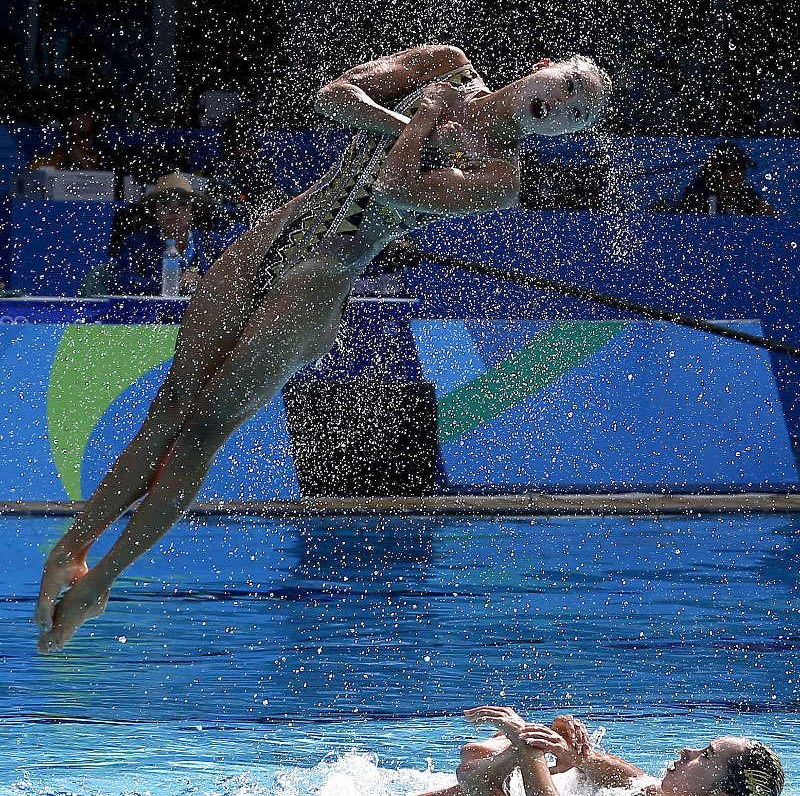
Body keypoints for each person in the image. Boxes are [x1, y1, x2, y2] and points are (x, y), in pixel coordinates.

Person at [34, 44, 612, 653]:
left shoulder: (499, 179)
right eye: (569, 87)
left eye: (576, 115)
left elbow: (394, 187)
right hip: (277, 234)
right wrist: (411, 118)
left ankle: (101, 581)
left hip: (320, 281)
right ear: (545, 68)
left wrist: (422, 121)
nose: (562, 105)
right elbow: (333, 96)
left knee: (202, 430)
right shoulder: (447, 64)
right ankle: (71, 547)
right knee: (172, 403)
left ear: (563, 136)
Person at [407, 706, 787, 796]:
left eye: (705, 756)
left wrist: (528, 748)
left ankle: (492, 783)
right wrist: (573, 751)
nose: (687, 750)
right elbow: (624, 775)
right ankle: (488, 776)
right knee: (488, 756)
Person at [106, 173, 226, 296]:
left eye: (183, 204)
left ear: (192, 212)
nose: (174, 210)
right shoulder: (136, 243)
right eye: (165, 204)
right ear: (154, 212)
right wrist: (171, 283)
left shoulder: (212, 242)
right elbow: (121, 283)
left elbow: (230, 282)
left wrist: (204, 284)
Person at [679, 141, 776, 216]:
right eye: (736, 171)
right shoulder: (698, 194)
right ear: (719, 171)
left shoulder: (743, 194)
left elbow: (772, 215)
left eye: (743, 171)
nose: (741, 176)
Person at [28, 113, 106, 171]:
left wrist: (83, 164)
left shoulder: (103, 162)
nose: (77, 140)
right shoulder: (49, 161)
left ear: (94, 138)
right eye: (72, 134)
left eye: (84, 135)